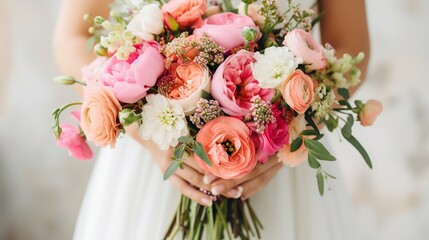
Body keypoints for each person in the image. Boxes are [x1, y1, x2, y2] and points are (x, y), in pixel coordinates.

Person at [54, 0, 370, 239]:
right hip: (156, 161)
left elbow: (352, 46)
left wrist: (284, 133)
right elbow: (71, 37)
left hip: (278, 172)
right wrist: (143, 131)